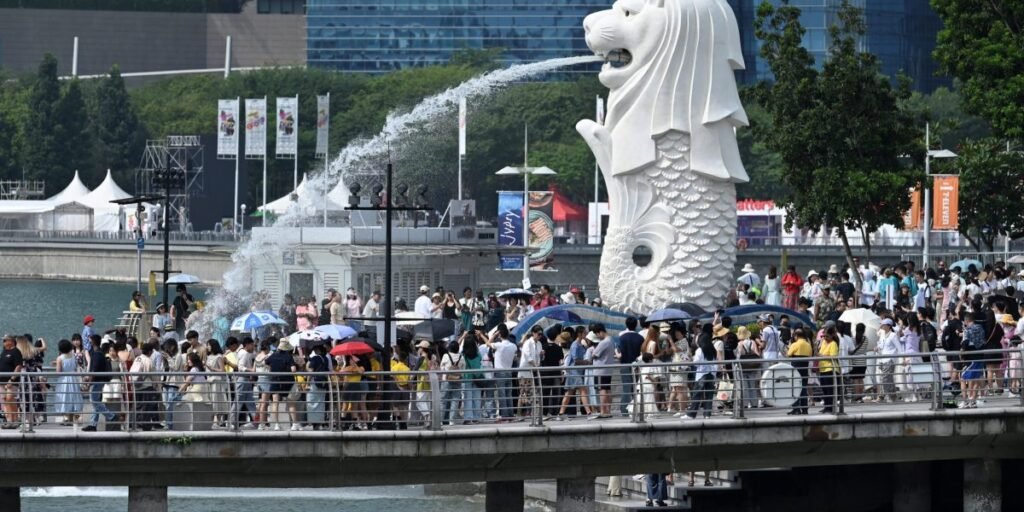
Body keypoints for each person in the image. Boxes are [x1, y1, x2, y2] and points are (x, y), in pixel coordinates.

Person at [53, 339, 84, 426]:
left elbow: (58, 372)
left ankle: (66, 418)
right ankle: (72, 418)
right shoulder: (74, 356)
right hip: (73, 378)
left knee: (64, 397)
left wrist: (55, 365)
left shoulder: (60, 358)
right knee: (73, 397)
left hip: (63, 380)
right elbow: (75, 367)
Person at [618, 317, 644, 416]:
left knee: (626, 388)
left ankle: (624, 410)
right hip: (636, 365)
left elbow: (620, 351)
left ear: (626, 325)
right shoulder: (640, 338)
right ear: (636, 325)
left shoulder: (622, 337)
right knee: (636, 388)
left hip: (625, 364)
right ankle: (635, 408)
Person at [589, 324, 616, 419]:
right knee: (607, 390)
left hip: (600, 370)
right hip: (608, 369)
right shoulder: (611, 340)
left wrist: (592, 352)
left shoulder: (604, 342)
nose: (597, 337)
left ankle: (603, 411)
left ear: (600, 332)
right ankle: (608, 411)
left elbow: (594, 354)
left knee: (602, 390)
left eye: (597, 334)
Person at [785, 328, 813, 415]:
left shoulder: (795, 344)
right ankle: (805, 409)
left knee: (795, 388)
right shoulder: (808, 345)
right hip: (804, 368)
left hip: (796, 368)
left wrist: (788, 348)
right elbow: (810, 355)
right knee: (803, 388)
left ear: (796, 336)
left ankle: (796, 409)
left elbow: (788, 354)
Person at [874, 319, 902, 403]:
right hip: (882, 359)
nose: (882, 326)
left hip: (890, 359)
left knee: (886, 378)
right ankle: (893, 396)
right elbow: (881, 345)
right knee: (888, 378)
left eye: (883, 325)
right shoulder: (882, 335)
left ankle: (889, 396)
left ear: (889, 326)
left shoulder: (893, 335)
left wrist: (901, 359)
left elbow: (899, 348)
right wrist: (877, 348)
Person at [439, 340, 465, 425]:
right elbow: (463, 369)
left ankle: (440, 420)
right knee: (455, 400)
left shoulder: (446, 356)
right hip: (458, 380)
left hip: (446, 380)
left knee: (443, 400)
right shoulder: (461, 357)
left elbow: (441, 367)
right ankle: (451, 421)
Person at [817, 331, 840, 414]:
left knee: (829, 390)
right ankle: (826, 406)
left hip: (830, 369)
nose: (825, 338)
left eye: (827, 336)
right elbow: (819, 353)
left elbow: (833, 356)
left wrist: (822, 356)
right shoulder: (823, 343)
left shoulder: (833, 344)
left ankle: (830, 407)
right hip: (823, 369)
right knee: (824, 390)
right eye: (824, 336)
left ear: (831, 336)